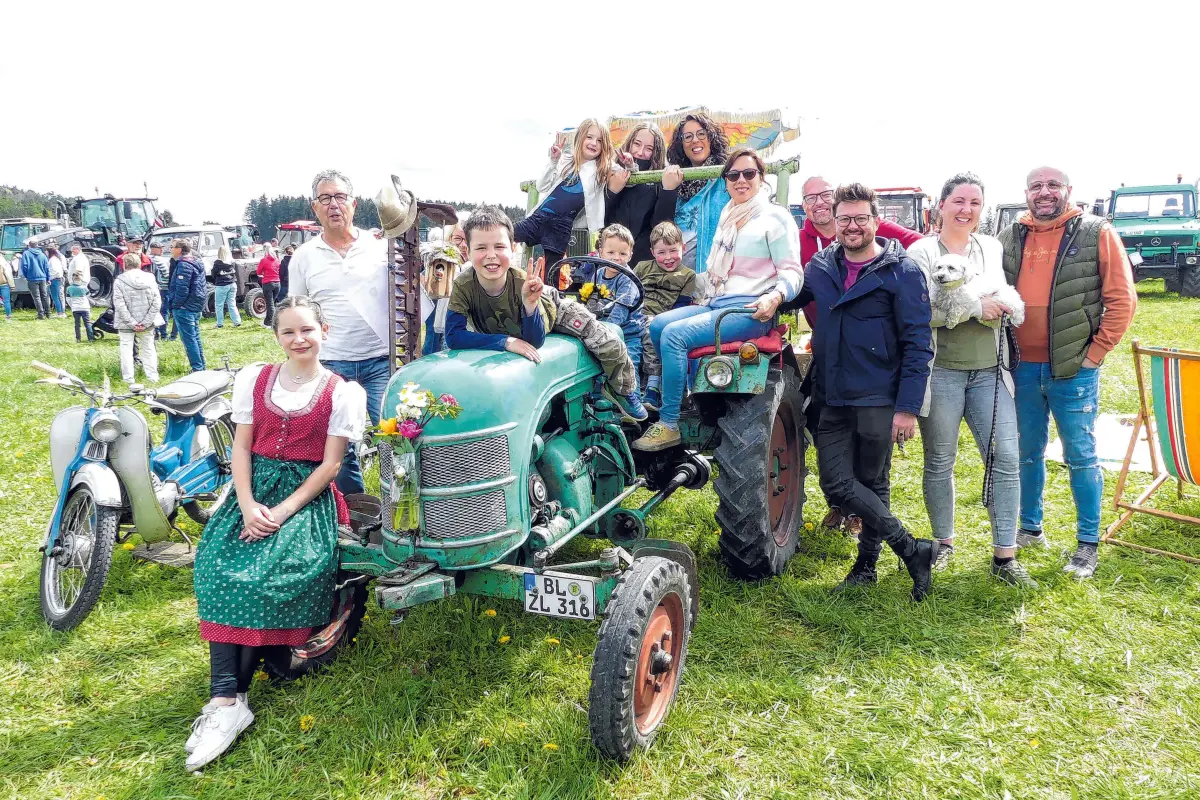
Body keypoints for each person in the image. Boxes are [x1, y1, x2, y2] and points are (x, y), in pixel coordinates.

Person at [187, 295, 366, 772]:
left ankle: (228, 701)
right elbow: (242, 448)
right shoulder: (256, 378)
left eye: (307, 329)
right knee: (216, 566)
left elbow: (330, 465)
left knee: (263, 576)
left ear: (324, 331)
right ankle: (227, 700)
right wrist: (247, 505)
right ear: (276, 336)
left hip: (305, 498)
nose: (299, 339)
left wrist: (281, 511)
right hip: (252, 490)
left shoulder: (342, 392)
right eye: (288, 331)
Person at [793, 183, 938, 601]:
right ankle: (912, 550)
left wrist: (907, 408)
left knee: (874, 481)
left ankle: (866, 565)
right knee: (837, 483)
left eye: (861, 218)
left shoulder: (901, 272)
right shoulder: (821, 266)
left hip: (878, 393)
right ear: (834, 221)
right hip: (831, 391)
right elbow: (794, 295)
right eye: (845, 219)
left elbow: (918, 343)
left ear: (876, 221)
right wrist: (767, 297)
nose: (852, 226)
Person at [998, 166, 1137, 580]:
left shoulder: (1096, 232)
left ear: (1068, 191)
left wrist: (1095, 354)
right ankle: (1030, 528)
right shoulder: (1010, 236)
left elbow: (1122, 299)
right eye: (1036, 186)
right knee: (1025, 452)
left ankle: (1087, 543)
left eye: (1053, 185)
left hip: (1073, 367)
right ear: (1026, 193)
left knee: (1080, 455)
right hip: (1021, 367)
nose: (1045, 192)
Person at [907, 173, 1032, 587]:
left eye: (975, 203)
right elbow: (918, 312)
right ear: (941, 205)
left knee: (1006, 458)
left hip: (990, 371)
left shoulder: (991, 247)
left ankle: (1005, 556)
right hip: (941, 371)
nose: (966, 210)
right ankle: (943, 544)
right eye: (958, 201)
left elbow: (1002, 295)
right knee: (940, 460)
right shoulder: (921, 252)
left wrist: (997, 306)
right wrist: (977, 308)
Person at [633, 148, 801, 452]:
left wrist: (775, 297)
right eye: (733, 175)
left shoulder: (775, 218)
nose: (741, 180)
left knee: (674, 335)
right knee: (657, 325)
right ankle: (682, 395)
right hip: (717, 301)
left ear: (761, 178)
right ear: (725, 181)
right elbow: (716, 272)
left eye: (749, 173)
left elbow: (792, 271)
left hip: (749, 309)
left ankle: (669, 423)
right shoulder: (728, 215)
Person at [446, 206, 646, 422]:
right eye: (481, 248)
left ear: (512, 248)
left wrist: (530, 304)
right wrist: (505, 342)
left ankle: (623, 390)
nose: (491, 255)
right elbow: (453, 336)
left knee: (607, 340)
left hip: (553, 310)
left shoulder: (523, 282)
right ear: (467, 251)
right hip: (508, 329)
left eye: (499, 246)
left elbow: (535, 340)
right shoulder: (463, 285)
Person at [288, 169, 392, 495]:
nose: (334, 204)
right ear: (314, 207)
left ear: (354, 204)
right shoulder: (303, 257)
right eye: (325, 198)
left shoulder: (380, 249)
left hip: (381, 361)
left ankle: (398, 507)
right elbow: (296, 311)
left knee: (394, 438)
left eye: (340, 197)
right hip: (331, 364)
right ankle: (357, 509)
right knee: (338, 445)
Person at [517, 119, 619, 266]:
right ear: (580, 138)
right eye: (589, 137)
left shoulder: (603, 167)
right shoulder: (565, 159)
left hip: (562, 225)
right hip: (539, 217)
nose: (594, 143)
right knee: (507, 234)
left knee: (553, 270)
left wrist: (630, 165)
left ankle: (551, 282)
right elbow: (541, 186)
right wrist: (553, 161)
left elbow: (626, 172)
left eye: (599, 141)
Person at [634, 221, 697, 410]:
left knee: (651, 331)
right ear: (653, 252)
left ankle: (653, 387)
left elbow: (681, 306)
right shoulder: (642, 267)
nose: (668, 258)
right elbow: (630, 291)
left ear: (683, 248)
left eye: (673, 251)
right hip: (636, 314)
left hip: (663, 318)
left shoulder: (688, 275)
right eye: (661, 252)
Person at [581, 224, 647, 394]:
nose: (616, 258)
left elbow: (620, 312)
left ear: (630, 254)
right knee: (595, 367)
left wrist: (602, 332)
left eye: (622, 254)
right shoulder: (598, 274)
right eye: (611, 252)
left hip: (627, 334)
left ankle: (633, 401)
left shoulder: (627, 280)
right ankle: (597, 399)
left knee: (628, 367)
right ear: (601, 252)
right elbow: (591, 303)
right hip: (604, 332)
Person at [605, 122, 683, 264]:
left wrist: (668, 191)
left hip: (644, 262)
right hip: (611, 257)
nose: (640, 152)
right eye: (637, 144)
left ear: (657, 152)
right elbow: (598, 216)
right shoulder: (612, 172)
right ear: (629, 143)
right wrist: (612, 191)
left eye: (649, 148)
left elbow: (660, 226)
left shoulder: (661, 179)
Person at [666, 112, 731, 272]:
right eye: (688, 137)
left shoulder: (728, 176)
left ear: (711, 138)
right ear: (681, 145)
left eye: (701, 133)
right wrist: (668, 190)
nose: (695, 140)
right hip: (677, 277)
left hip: (715, 274)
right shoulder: (673, 179)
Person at [113, 253, 161, 382]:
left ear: (124, 265)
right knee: (148, 348)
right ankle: (153, 376)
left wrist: (132, 322)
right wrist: (146, 322)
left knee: (126, 350)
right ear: (139, 264)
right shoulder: (150, 278)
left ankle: (128, 378)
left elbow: (119, 304)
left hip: (125, 323)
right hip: (148, 321)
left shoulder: (119, 281)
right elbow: (157, 302)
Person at [168, 239, 208, 372]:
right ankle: (201, 366)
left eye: (172, 247)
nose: (170, 249)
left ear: (179, 249)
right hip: (195, 304)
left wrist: (175, 305)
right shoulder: (196, 261)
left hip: (185, 307)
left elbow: (182, 289)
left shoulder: (184, 265)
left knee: (189, 339)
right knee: (195, 336)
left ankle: (197, 368)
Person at [212, 246, 242, 328]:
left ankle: (219, 323)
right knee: (232, 304)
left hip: (222, 285)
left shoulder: (217, 263)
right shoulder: (232, 262)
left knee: (219, 305)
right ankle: (237, 321)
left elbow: (213, 273)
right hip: (232, 284)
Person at [20, 241, 51, 319]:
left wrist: (26, 276)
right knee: (45, 296)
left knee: (37, 297)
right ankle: (48, 313)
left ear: (29, 246)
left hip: (32, 278)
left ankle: (41, 314)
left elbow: (24, 266)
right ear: (37, 246)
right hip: (43, 278)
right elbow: (47, 267)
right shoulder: (42, 254)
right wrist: (48, 278)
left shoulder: (26, 253)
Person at [149, 242, 172, 339]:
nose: (162, 250)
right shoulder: (159, 260)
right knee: (164, 312)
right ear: (153, 249)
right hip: (163, 288)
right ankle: (163, 334)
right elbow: (167, 275)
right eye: (160, 248)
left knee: (154, 311)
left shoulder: (148, 259)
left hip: (153, 289)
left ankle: (155, 332)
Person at [66, 269, 94, 342]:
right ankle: (90, 338)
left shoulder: (69, 288)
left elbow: (68, 299)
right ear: (81, 278)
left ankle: (78, 339)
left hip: (75, 308)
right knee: (87, 323)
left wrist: (72, 305)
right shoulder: (84, 287)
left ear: (73, 278)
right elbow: (88, 295)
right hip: (85, 307)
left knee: (77, 324)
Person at [257, 246, 281, 327]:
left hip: (268, 283)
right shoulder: (277, 260)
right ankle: (266, 322)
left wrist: (264, 273)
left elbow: (258, 272)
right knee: (271, 303)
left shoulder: (263, 260)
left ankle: (270, 323)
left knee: (270, 304)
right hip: (277, 283)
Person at [46, 245, 67, 317]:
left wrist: (49, 278)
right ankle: (61, 312)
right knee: (57, 296)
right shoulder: (56, 259)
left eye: (46, 251)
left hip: (54, 279)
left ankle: (60, 312)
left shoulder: (53, 260)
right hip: (57, 279)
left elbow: (55, 271)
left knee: (55, 297)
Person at [0, 252, 14, 321]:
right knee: (6, 301)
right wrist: (12, 285)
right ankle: (8, 317)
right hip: (4, 284)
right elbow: (8, 275)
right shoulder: (4, 262)